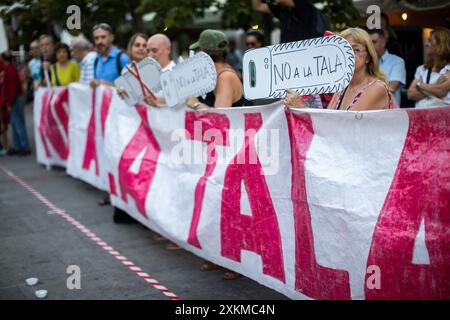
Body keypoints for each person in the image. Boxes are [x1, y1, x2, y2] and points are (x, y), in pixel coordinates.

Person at [185, 29, 245, 280]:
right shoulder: (209, 76)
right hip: (217, 148)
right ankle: (217, 254)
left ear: (207, 55)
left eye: (199, 52)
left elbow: (221, 116)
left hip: (235, 149)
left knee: (230, 204)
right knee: (214, 201)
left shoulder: (225, 77)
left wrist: (196, 104)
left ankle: (235, 261)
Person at [285, 27, 397, 111]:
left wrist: (302, 108)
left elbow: (342, 126)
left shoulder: (377, 88)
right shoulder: (342, 87)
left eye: (356, 49)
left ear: (368, 57)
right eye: (344, 49)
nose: (348, 54)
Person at [407, 27, 450, 108]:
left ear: (441, 44)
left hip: (443, 118)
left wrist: (419, 85)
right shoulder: (421, 69)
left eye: (430, 41)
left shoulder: (449, 69)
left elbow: (441, 91)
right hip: (421, 117)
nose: (425, 44)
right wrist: (436, 85)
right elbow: (410, 94)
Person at [252, 0, 326, 43]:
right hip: (287, 52)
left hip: (304, 50)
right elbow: (258, 6)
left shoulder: (304, 4)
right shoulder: (283, 9)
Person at [1, 51, 30, 156]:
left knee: (18, 124)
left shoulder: (10, 70)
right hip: (14, 99)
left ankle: (24, 146)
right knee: (14, 124)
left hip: (15, 99)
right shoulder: (10, 69)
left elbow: (12, 89)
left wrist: (9, 103)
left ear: (3, 59)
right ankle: (18, 146)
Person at [369, 29, 406, 106]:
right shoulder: (366, 61)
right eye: (368, 43)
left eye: (374, 42)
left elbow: (392, 88)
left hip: (389, 113)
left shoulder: (397, 61)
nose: (370, 46)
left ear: (383, 43)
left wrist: (364, 94)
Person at [90, 23, 131, 88]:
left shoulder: (122, 58)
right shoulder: (97, 60)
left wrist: (105, 84)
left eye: (103, 37)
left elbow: (131, 87)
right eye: (96, 38)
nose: (99, 41)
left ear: (112, 38)